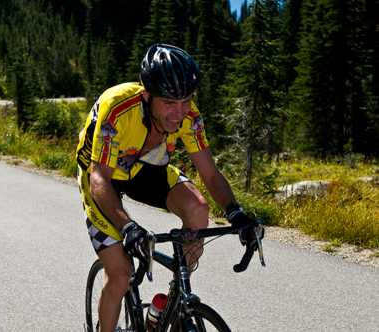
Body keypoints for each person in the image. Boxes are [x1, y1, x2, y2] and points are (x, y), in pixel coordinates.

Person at [76, 44, 261, 331]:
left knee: (198, 209)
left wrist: (236, 213)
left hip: (146, 169)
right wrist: (128, 228)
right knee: (121, 276)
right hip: (103, 175)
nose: (179, 113)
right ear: (147, 96)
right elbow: (98, 178)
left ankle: (172, 303)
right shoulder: (118, 109)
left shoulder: (190, 116)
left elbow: (209, 173)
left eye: (186, 101)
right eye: (169, 103)